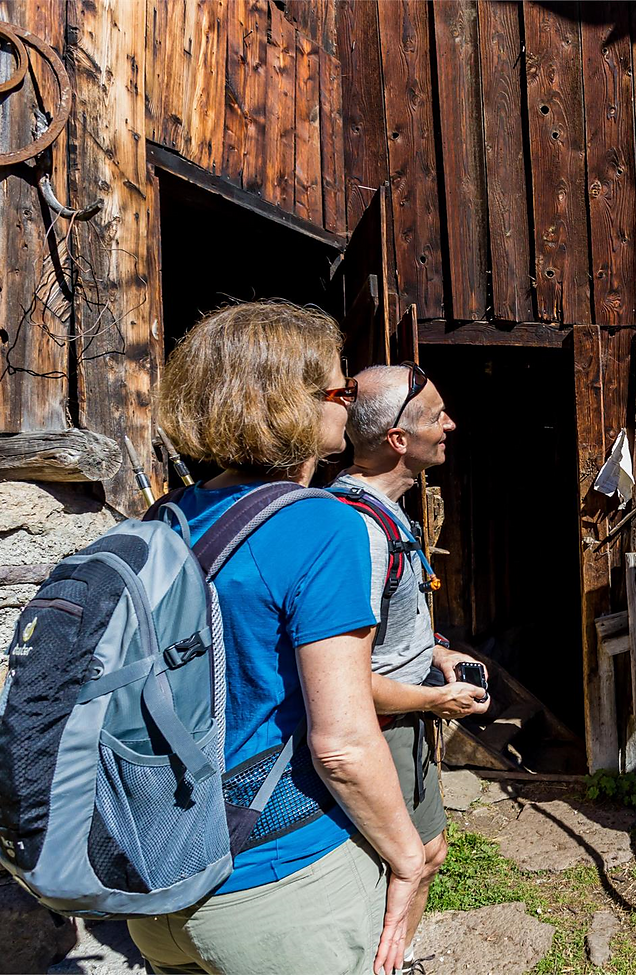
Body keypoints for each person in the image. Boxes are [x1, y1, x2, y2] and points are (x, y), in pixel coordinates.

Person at [128, 302, 425, 975]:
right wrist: (409, 858)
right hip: (278, 887)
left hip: (159, 884)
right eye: (340, 392)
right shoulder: (324, 526)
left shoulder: (166, 519)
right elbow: (342, 744)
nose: (349, 406)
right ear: (293, 405)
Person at [332, 363, 490, 975]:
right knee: (407, 860)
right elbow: (344, 682)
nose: (450, 424)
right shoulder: (359, 532)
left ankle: (397, 960)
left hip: (402, 716)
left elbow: (384, 631)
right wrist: (435, 701)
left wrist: (438, 655)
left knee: (426, 854)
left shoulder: (389, 513)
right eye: (437, 416)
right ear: (399, 439)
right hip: (380, 728)